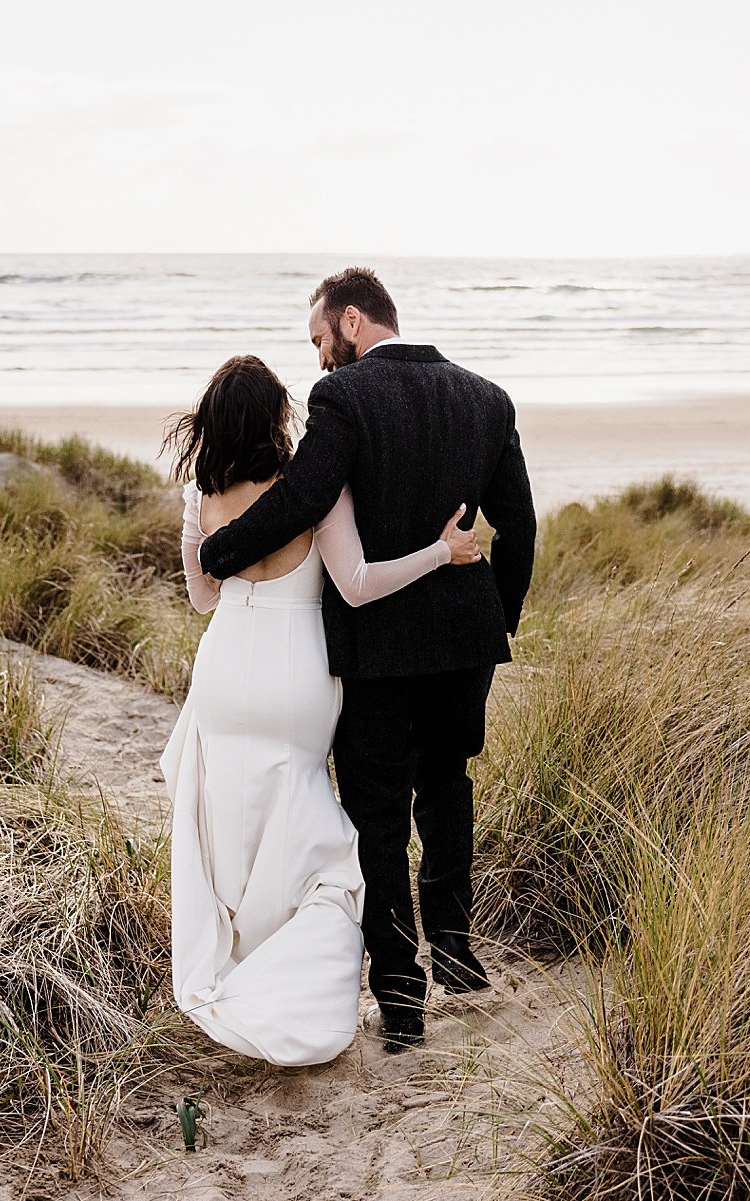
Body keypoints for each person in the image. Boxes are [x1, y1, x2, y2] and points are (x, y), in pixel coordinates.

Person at [199, 267, 536, 1053]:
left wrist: (220, 549)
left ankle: (401, 1000)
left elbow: (303, 498)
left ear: (352, 321)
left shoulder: (344, 399)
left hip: (379, 649)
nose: (318, 360)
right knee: (448, 782)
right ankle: (452, 937)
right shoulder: (487, 398)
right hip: (463, 643)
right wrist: (497, 621)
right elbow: (519, 528)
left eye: (320, 340)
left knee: (378, 816)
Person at [160, 353, 481, 1066]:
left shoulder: (200, 494)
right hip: (298, 673)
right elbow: (360, 585)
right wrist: (439, 552)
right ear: (277, 417)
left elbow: (200, 597)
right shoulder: (313, 489)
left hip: (224, 667)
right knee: (318, 845)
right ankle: (297, 996)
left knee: (233, 830)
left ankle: (238, 973)